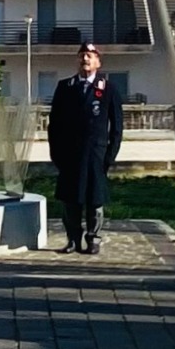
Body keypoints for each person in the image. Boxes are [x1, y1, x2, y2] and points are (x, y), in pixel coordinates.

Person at [48, 42, 124, 254]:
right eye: (82, 55)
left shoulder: (108, 89)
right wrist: (56, 153)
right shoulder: (65, 87)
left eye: (90, 55)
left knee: (94, 199)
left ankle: (93, 238)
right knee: (71, 199)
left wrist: (110, 156)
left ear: (98, 62)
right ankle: (73, 239)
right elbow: (54, 124)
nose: (85, 59)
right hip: (70, 154)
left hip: (96, 155)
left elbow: (117, 127)